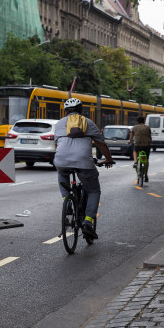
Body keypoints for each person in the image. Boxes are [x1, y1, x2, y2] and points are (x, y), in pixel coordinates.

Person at [54, 98, 114, 240]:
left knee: (62, 174)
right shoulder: (88, 122)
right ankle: (87, 222)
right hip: (84, 162)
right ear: (81, 110)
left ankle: (66, 200)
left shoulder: (59, 124)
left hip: (62, 159)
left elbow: (57, 144)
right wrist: (108, 159)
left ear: (65, 111)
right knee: (93, 190)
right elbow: (101, 144)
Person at [130, 116, 152, 182]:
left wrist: (130, 141)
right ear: (144, 121)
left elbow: (131, 136)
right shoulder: (148, 127)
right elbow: (150, 136)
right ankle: (146, 174)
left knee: (134, 150)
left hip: (138, 144)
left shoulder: (134, 127)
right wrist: (150, 141)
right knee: (147, 159)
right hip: (147, 145)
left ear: (137, 122)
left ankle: (135, 162)